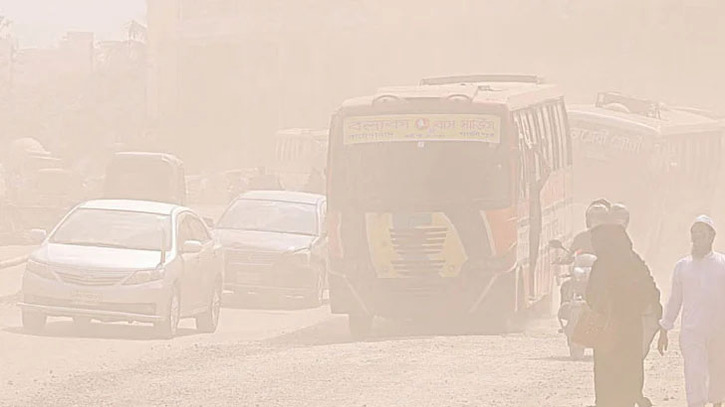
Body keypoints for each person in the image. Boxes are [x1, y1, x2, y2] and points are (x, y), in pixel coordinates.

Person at [586, 224, 662, 407]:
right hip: (630, 329)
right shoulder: (634, 262)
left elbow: (590, 295)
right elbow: (651, 292)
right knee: (630, 372)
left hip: (606, 329)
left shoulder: (601, 265)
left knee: (606, 379)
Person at [658, 215, 725, 407]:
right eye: (694, 235)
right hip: (692, 332)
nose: (697, 239)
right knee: (694, 373)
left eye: (701, 235)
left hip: (720, 331)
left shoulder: (723, 263)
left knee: (719, 373)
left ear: (712, 237)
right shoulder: (682, 266)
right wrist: (665, 328)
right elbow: (675, 300)